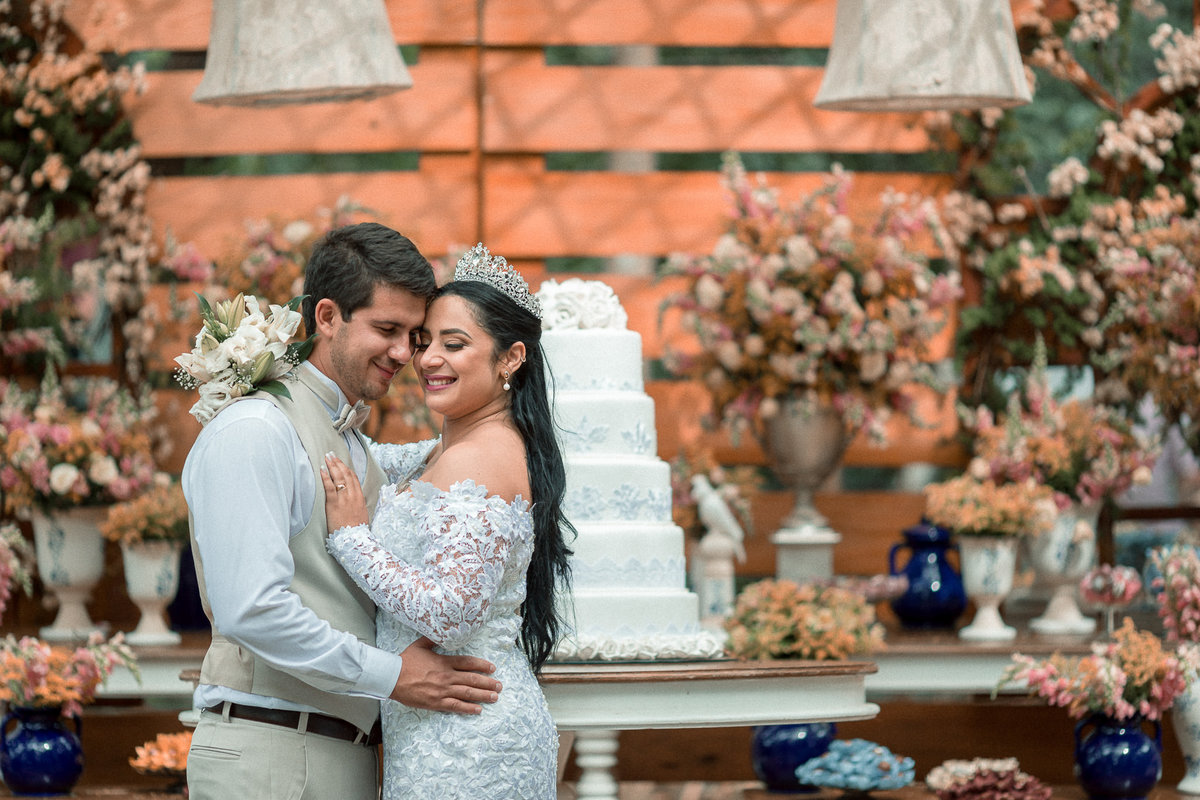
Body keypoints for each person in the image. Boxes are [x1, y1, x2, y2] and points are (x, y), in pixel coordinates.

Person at [182, 223, 503, 800]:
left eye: (415, 334)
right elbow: (251, 609)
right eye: (387, 329)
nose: (406, 353)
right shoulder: (257, 430)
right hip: (271, 755)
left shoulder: (355, 443)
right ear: (327, 316)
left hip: (343, 756)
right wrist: (394, 675)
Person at [320, 242, 574, 799]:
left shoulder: (481, 456)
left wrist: (351, 539)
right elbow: (368, 459)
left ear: (509, 358)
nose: (428, 359)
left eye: (454, 344)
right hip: (440, 730)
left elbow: (451, 614)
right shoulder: (449, 450)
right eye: (424, 341)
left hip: (470, 744)